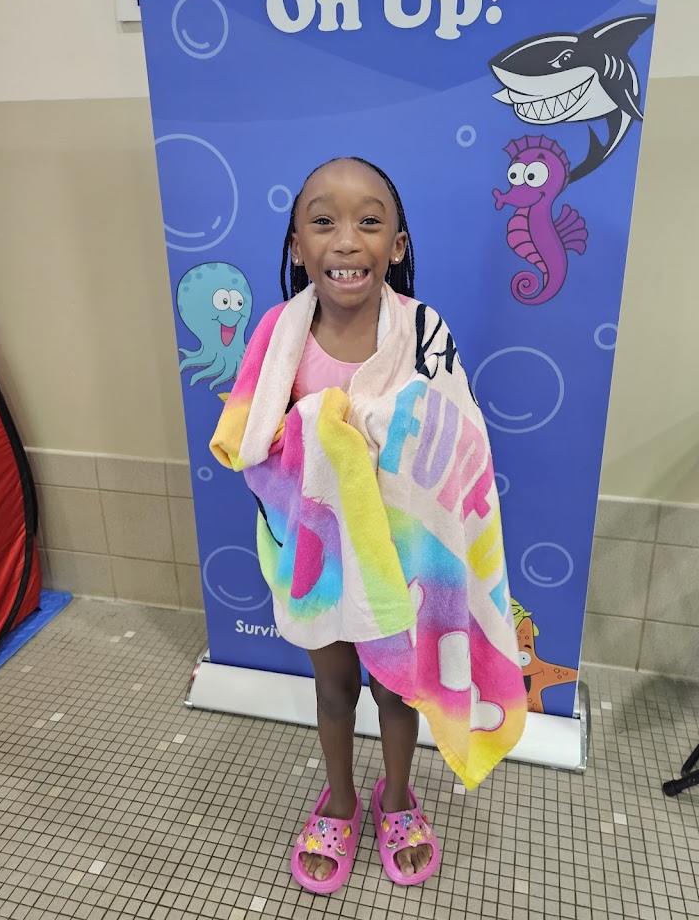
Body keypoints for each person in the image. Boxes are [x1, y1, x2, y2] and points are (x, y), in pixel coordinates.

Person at [210, 157, 525, 895]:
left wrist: (376, 437)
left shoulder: (424, 332)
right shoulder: (277, 335)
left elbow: (461, 440)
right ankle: (341, 801)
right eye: (323, 222)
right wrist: (315, 437)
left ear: (398, 244)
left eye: (369, 222)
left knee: (396, 689)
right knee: (334, 687)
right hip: (316, 556)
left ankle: (398, 795)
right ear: (297, 247)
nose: (347, 240)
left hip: (403, 560)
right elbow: (247, 441)